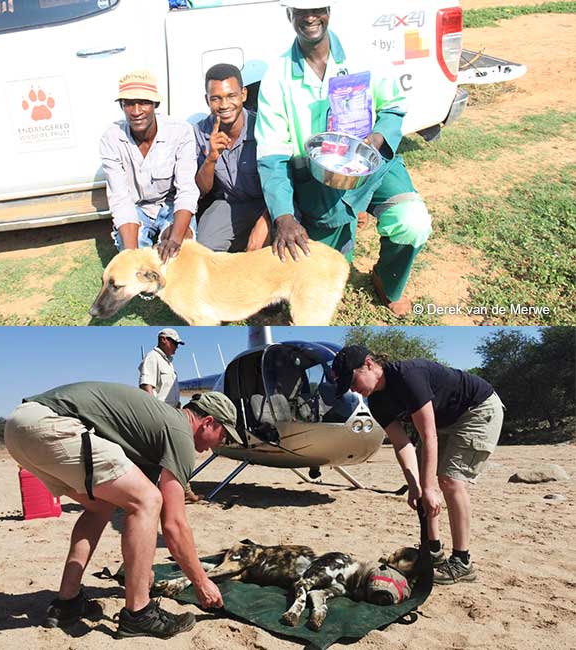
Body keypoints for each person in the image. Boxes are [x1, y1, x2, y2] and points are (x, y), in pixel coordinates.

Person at [4, 383, 242, 638]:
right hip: (51, 424)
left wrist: (143, 568)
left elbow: (141, 515)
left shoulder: (157, 427)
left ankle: (67, 602)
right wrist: (201, 582)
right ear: (207, 422)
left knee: (101, 507)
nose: (219, 444)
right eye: (224, 435)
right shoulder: (180, 432)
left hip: (18, 428)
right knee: (148, 500)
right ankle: (139, 613)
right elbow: (173, 524)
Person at [255, 0, 432, 315]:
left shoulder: (362, 55)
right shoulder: (277, 77)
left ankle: (387, 281)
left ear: (329, 11)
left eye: (317, 8)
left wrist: (373, 142)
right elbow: (271, 155)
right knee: (321, 275)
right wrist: (283, 216)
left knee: (413, 222)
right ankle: (340, 234)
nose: (310, 17)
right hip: (319, 183)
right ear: (289, 15)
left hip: (372, 163)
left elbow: (393, 106)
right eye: (300, 10)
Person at [332, 345, 504, 584]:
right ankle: (432, 551)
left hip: (476, 409)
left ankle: (462, 561)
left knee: (448, 481)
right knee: (424, 487)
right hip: (444, 422)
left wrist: (430, 487)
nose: (353, 389)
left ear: (369, 364)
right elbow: (403, 445)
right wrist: (415, 485)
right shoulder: (377, 403)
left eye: (352, 380)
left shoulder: (408, 377)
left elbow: (428, 435)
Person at [99, 69, 200, 263]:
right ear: (121, 105)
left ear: (155, 104)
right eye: (128, 104)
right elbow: (121, 201)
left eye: (144, 102)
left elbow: (186, 190)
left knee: (182, 252)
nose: (136, 111)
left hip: (170, 204)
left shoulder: (180, 132)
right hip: (137, 208)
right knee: (134, 257)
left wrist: (176, 239)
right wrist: (133, 258)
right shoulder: (111, 139)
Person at [193, 63, 270, 252]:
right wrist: (211, 159)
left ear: (243, 94)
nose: (224, 105)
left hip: (268, 203)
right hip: (231, 203)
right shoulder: (200, 132)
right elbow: (201, 191)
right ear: (207, 100)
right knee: (204, 248)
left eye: (231, 96)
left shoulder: (263, 126)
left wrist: (265, 223)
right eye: (216, 99)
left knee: (264, 248)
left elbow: (283, 182)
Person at [138, 328, 202, 503]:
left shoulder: (168, 362)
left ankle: (183, 490)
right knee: (162, 456)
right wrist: (155, 413)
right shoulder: (153, 358)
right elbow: (147, 386)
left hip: (172, 412)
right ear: (163, 339)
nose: (176, 347)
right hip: (160, 415)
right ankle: (145, 495)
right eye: (174, 343)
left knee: (175, 454)